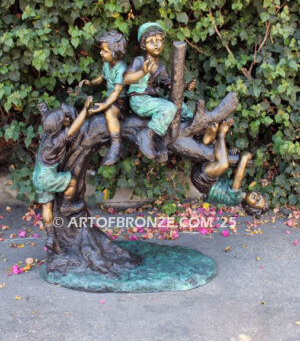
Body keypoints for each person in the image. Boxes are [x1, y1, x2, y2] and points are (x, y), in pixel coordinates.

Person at [123, 22, 194, 162]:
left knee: (180, 106)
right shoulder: (139, 61)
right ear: (143, 45)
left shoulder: (161, 67)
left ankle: (193, 125)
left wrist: (185, 87)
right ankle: (147, 135)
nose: (156, 45)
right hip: (139, 100)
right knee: (169, 108)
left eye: (159, 41)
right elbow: (126, 79)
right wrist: (142, 72)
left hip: (152, 101)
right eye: (150, 41)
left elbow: (170, 86)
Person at [32, 96, 93, 253]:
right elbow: (76, 127)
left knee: (47, 206)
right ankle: (67, 205)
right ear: (59, 126)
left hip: (38, 176)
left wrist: (43, 108)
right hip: (48, 177)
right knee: (72, 181)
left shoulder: (47, 135)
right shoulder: (58, 139)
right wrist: (85, 108)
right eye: (63, 119)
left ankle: (51, 237)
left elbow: (47, 118)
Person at [191, 119, 268, 216]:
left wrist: (244, 158)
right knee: (216, 154)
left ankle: (221, 134)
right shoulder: (238, 191)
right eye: (259, 196)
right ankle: (209, 138)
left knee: (223, 165)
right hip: (207, 176)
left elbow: (238, 177)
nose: (256, 197)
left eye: (256, 202)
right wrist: (234, 154)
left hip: (203, 181)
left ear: (248, 207)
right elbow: (235, 173)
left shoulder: (237, 198)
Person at [79, 30, 128, 165]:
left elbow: (117, 92)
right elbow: (101, 78)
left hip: (120, 101)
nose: (101, 53)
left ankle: (116, 145)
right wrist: (91, 82)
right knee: (91, 111)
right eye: (102, 50)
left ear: (115, 52)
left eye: (105, 51)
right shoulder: (107, 64)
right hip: (108, 99)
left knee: (109, 112)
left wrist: (105, 106)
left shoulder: (121, 67)